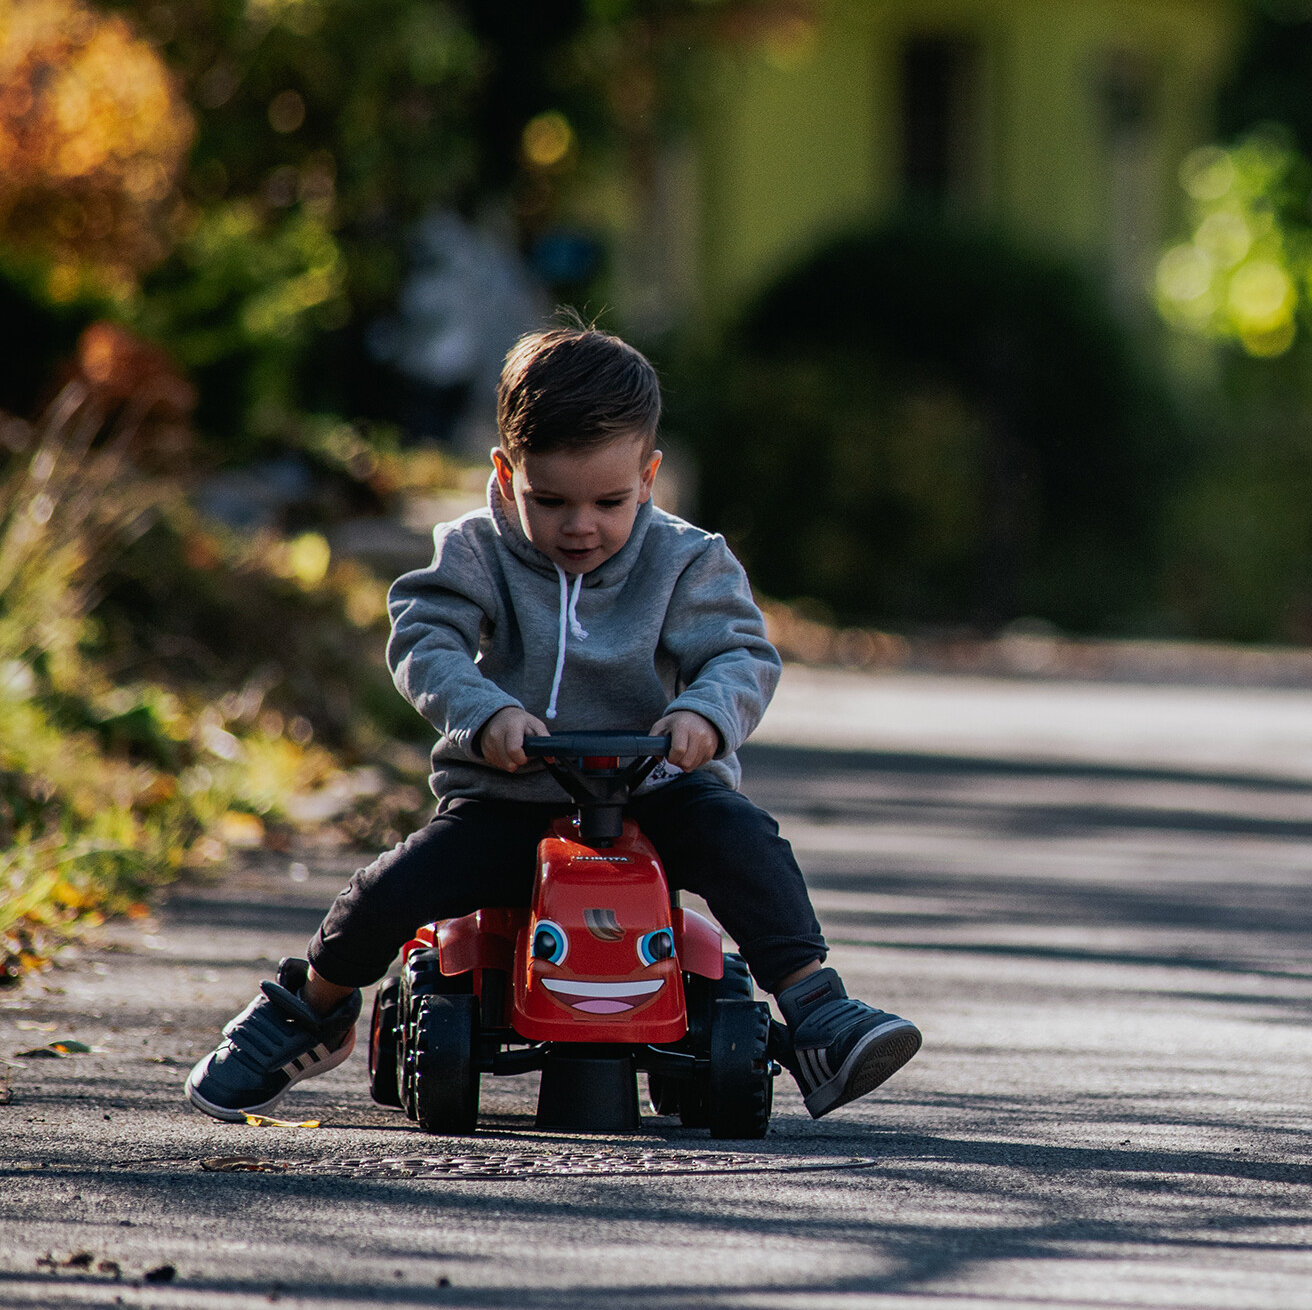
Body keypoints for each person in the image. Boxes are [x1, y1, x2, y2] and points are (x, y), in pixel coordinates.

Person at [185, 322, 922, 1124]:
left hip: (656, 797)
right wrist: (485, 712)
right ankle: (311, 1008)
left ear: (650, 477)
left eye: (610, 501)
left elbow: (741, 657)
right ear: (506, 476)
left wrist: (704, 717)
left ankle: (816, 1009)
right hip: (511, 798)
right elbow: (424, 640)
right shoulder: (475, 552)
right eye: (551, 501)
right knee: (389, 891)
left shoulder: (688, 560)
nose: (581, 526)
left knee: (748, 841)